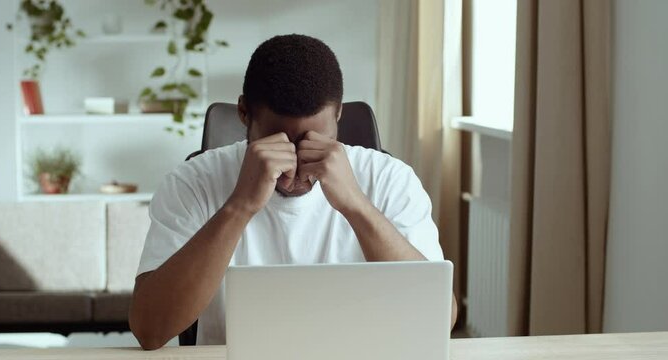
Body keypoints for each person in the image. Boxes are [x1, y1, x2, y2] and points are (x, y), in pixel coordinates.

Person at [129, 34, 458, 350]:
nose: (295, 165)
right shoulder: (193, 183)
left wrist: (356, 205)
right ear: (244, 113)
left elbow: (441, 319)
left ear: (339, 113)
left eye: (313, 143)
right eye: (277, 144)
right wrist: (240, 205)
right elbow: (150, 329)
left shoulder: (390, 179)